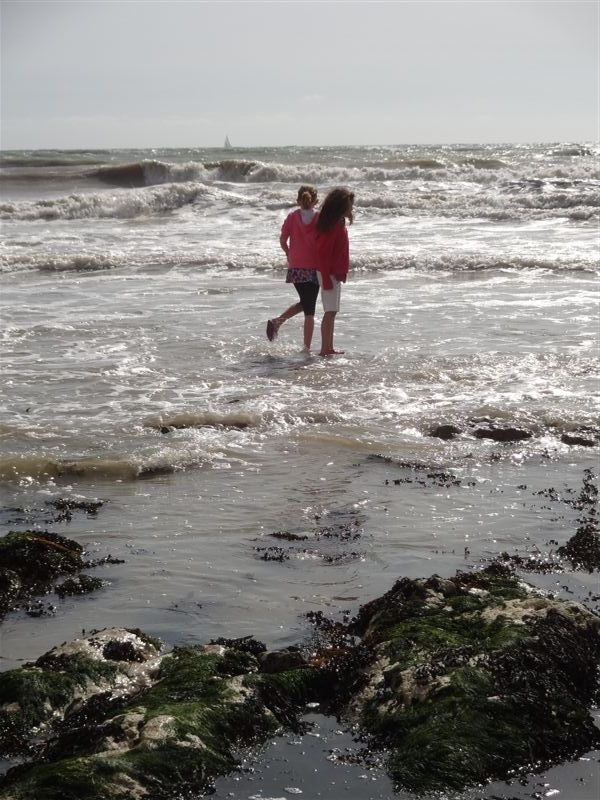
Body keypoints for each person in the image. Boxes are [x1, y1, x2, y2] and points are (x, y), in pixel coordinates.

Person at [266, 185, 319, 351]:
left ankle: (278, 322)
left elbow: (282, 240)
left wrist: (289, 253)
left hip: (296, 267)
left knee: (306, 303)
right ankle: (306, 349)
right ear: (316, 201)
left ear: (298, 200)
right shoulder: (319, 217)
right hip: (314, 267)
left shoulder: (292, 217)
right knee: (310, 310)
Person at [314, 187, 354, 357]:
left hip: (333, 272)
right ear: (341, 206)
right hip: (327, 272)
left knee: (333, 311)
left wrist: (341, 271)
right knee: (329, 312)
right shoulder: (333, 225)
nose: (351, 208)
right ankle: (324, 349)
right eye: (349, 205)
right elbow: (322, 253)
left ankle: (329, 347)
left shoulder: (338, 222)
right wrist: (326, 277)